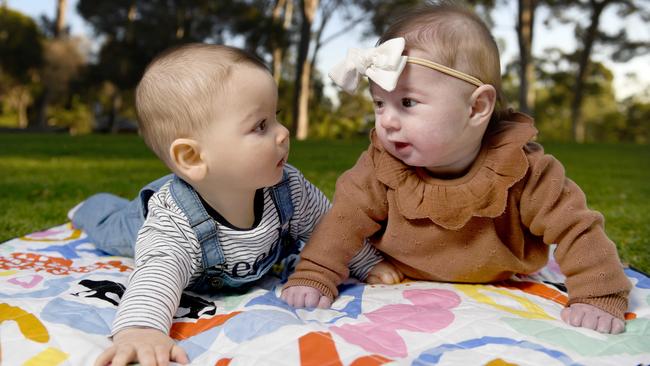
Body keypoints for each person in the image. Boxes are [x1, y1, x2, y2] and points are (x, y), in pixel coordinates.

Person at [281, 1, 631, 335]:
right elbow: (343, 220)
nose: (386, 121)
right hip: (400, 273)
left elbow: (576, 228)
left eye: (407, 102)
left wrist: (598, 295)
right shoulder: (381, 166)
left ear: (477, 107)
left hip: (503, 276)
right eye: (378, 103)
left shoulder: (523, 169)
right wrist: (315, 272)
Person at [80, 43, 389, 366]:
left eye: (276, 117)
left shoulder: (289, 189)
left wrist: (365, 262)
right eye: (260, 125)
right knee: (108, 226)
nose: (283, 133)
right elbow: (155, 276)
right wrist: (141, 330)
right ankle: (88, 207)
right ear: (192, 157)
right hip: (141, 221)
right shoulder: (172, 225)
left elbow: (330, 229)